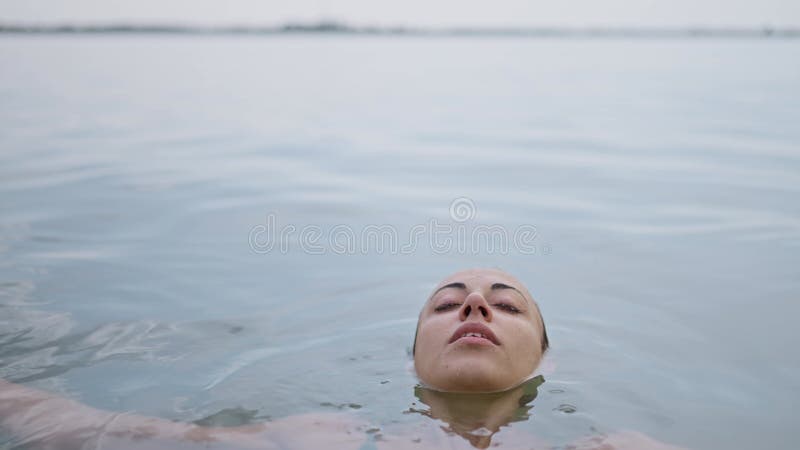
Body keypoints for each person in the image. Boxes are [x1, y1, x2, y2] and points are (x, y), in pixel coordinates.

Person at [0, 268, 686, 449]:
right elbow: (89, 434)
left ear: (547, 362)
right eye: (448, 304)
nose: (475, 307)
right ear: (412, 354)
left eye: (506, 306)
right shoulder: (321, 438)